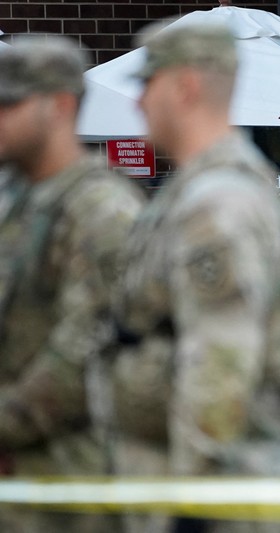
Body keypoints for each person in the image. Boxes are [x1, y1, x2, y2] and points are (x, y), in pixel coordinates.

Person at [104, 22, 280, 533]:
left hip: (223, 498)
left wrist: (192, 505)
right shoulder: (205, 189)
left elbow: (220, 368)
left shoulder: (217, 203)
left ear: (185, 86)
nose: (138, 103)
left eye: (147, 84)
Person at [0, 36, 144, 531]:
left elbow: (86, 350)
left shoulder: (102, 209)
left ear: (59, 106)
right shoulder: (14, 200)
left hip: (70, 485)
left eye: (8, 103)